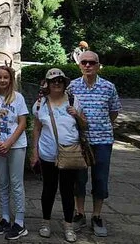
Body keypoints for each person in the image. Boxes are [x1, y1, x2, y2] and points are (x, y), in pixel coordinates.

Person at [31, 68, 87, 243]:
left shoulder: (73, 100)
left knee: (67, 190)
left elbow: (85, 125)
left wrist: (76, 115)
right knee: (48, 188)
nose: (57, 84)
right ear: (47, 84)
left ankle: (68, 225)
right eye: (53, 81)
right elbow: (37, 129)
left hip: (69, 153)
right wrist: (34, 152)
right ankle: (45, 222)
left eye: (60, 81)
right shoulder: (40, 104)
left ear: (64, 83)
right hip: (48, 153)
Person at [69, 51, 121, 237]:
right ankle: (80, 213)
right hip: (80, 140)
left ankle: (97, 215)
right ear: (79, 65)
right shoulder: (72, 86)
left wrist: (101, 125)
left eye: (92, 62)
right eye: (84, 62)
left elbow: (114, 112)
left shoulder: (108, 87)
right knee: (79, 179)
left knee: (100, 179)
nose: (88, 65)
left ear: (98, 65)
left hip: (103, 140)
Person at [0, 65, 29, 240]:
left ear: (11, 79)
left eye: (5, 77)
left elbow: (22, 123)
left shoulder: (18, 98)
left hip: (16, 146)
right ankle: (5, 218)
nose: (2, 80)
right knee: (2, 182)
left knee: (16, 183)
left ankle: (19, 222)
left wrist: (9, 143)